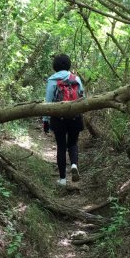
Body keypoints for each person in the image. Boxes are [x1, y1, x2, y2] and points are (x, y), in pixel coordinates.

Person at [43, 53, 85, 186]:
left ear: (55, 66)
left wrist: (46, 120)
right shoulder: (76, 78)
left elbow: (48, 102)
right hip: (75, 116)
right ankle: (74, 164)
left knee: (61, 147)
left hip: (58, 117)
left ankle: (62, 179)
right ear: (68, 65)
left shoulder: (52, 80)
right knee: (73, 143)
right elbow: (83, 97)